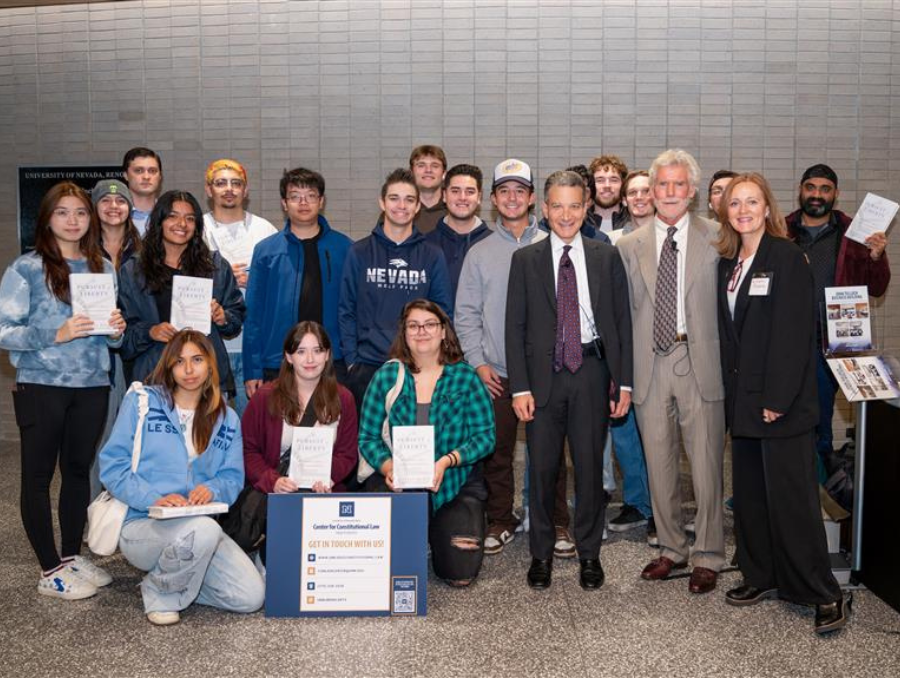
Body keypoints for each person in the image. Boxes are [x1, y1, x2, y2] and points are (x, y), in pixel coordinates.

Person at [716, 173, 848, 635]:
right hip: (743, 401)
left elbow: (794, 335)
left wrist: (777, 398)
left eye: (752, 201)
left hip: (780, 402)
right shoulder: (728, 261)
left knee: (793, 501)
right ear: (725, 211)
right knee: (752, 497)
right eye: (735, 203)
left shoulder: (786, 256)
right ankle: (762, 574)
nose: (743, 210)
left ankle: (824, 591)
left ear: (768, 207)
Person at [506, 170, 633, 591]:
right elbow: (515, 327)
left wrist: (624, 382)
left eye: (574, 205)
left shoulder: (604, 255)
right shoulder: (525, 260)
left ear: (586, 208)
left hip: (592, 372)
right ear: (543, 209)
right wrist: (520, 388)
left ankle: (590, 554)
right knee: (542, 470)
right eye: (557, 206)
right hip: (543, 379)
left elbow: (621, 323)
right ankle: (540, 553)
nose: (566, 214)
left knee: (591, 468)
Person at [0, 182, 126, 600]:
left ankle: (71, 557)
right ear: (47, 219)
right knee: (37, 477)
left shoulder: (101, 268)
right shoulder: (27, 268)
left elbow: (108, 338)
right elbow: (4, 331)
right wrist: (55, 332)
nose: (73, 221)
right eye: (63, 213)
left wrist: (115, 330)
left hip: (91, 385)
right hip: (42, 385)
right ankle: (49, 569)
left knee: (77, 473)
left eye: (80, 213)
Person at [99, 330, 264, 625]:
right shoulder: (142, 402)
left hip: (200, 530)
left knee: (250, 597)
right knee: (204, 531)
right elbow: (112, 466)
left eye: (197, 360)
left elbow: (232, 476)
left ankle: (170, 580)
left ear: (210, 365)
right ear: (169, 366)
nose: (189, 370)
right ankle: (160, 593)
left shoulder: (227, 417)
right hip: (142, 524)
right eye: (180, 361)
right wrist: (154, 497)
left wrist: (212, 489)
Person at [617, 149, 726, 594]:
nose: (670, 192)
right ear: (651, 190)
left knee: (705, 465)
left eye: (679, 184)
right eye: (663, 184)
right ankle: (671, 547)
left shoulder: (720, 238)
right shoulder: (628, 246)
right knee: (658, 463)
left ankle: (709, 553)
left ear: (693, 191)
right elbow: (621, 315)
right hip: (649, 363)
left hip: (701, 361)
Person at [455, 158, 573, 559]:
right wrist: (478, 362)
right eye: (503, 190)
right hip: (497, 374)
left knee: (550, 451)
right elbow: (466, 314)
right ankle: (501, 520)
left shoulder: (555, 245)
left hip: (547, 372)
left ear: (533, 199)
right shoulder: (480, 253)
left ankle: (556, 521)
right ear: (492, 199)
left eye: (519, 191)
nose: (511, 197)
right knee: (497, 454)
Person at [358, 300, 494, 587]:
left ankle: (439, 530)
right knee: (385, 565)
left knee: (460, 573)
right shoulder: (386, 376)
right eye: (413, 325)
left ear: (444, 331)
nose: (422, 331)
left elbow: (485, 437)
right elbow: (368, 437)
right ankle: (423, 530)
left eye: (430, 324)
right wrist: (388, 466)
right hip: (397, 482)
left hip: (454, 483)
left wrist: (448, 460)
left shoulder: (465, 378)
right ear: (404, 333)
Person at [783, 164, 890, 464]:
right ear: (801, 190)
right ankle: (785, 487)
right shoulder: (780, 230)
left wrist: (876, 256)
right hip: (788, 341)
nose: (817, 195)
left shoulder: (856, 233)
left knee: (820, 417)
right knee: (783, 415)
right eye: (810, 187)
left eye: (824, 189)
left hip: (831, 343)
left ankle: (819, 491)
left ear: (836, 194)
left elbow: (878, 288)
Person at [241, 321, 359, 564]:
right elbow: (247, 451)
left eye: (317, 350)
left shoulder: (343, 399)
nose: (310, 359)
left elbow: (348, 454)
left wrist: (329, 477)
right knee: (284, 565)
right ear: (288, 356)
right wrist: (273, 481)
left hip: (324, 492)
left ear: (327, 355)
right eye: (301, 351)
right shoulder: (265, 398)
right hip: (279, 494)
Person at [339, 168, 452, 411]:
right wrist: (352, 362)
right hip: (367, 367)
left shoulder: (432, 255)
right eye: (394, 198)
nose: (401, 205)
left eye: (409, 199)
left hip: (417, 366)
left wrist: (432, 361)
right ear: (382, 202)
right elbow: (346, 310)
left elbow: (443, 312)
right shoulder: (358, 252)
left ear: (418, 206)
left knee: (414, 445)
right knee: (368, 445)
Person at [118, 190, 245, 398]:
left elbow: (236, 317)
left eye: (190, 218)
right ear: (159, 221)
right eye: (173, 216)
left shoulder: (214, 266)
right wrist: (151, 331)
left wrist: (223, 317)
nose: (182, 224)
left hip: (205, 379)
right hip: (154, 377)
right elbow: (122, 335)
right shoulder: (134, 271)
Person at [244, 168, 352, 398]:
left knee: (332, 430)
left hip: (333, 361)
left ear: (321, 201)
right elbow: (253, 316)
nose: (303, 203)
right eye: (295, 196)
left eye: (311, 196)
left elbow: (353, 309)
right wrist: (252, 369)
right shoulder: (266, 251)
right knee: (278, 432)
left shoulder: (345, 248)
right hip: (278, 361)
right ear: (284, 203)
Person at [201, 159, 277, 415]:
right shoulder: (196, 230)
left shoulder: (265, 230)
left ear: (246, 190)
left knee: (255, 427)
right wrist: (221, 278)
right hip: (208, 346)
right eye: (220, 183)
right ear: (209, 189)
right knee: (208, 428)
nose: (229, 189)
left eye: (236, 183)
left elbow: (280, 288)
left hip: (253, 348)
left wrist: (257, 281)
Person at [89, 178, 142, 498]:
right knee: (98, 438)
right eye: (105, 202)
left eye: (120, 201)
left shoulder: (144, 251)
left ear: (130, 207)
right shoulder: (81, 249)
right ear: (95, 208)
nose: (113, 207)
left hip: (136, 353)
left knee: (134, 437)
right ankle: (94, 513)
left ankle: (126, 511)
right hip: (97, 354)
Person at [424, 163, 491, 304]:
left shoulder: (493, 244)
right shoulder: (425, 245)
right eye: (455, 191)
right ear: (444, 195)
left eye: (470, 191)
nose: (462, 197)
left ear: (479, 197)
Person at [122, 147, 163, 236]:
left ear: (160, 176)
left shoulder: (169, 215)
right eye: (139, 171)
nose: (146, 177)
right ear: (126, 175)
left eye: (152, 171)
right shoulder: (111, 215)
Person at [409, 145, 447, 234]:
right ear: (411, 173)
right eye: (421, 165)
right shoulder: (398, 210)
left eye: (435, 165)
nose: (428, 170)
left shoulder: (456, 208)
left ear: (444, 174)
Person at [589, 154, 630, 234]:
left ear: (623, 185)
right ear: (591, 185)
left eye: (613, 180)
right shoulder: (580, 222)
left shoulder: (634, 221)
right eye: (600, 180)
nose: (607, 185)